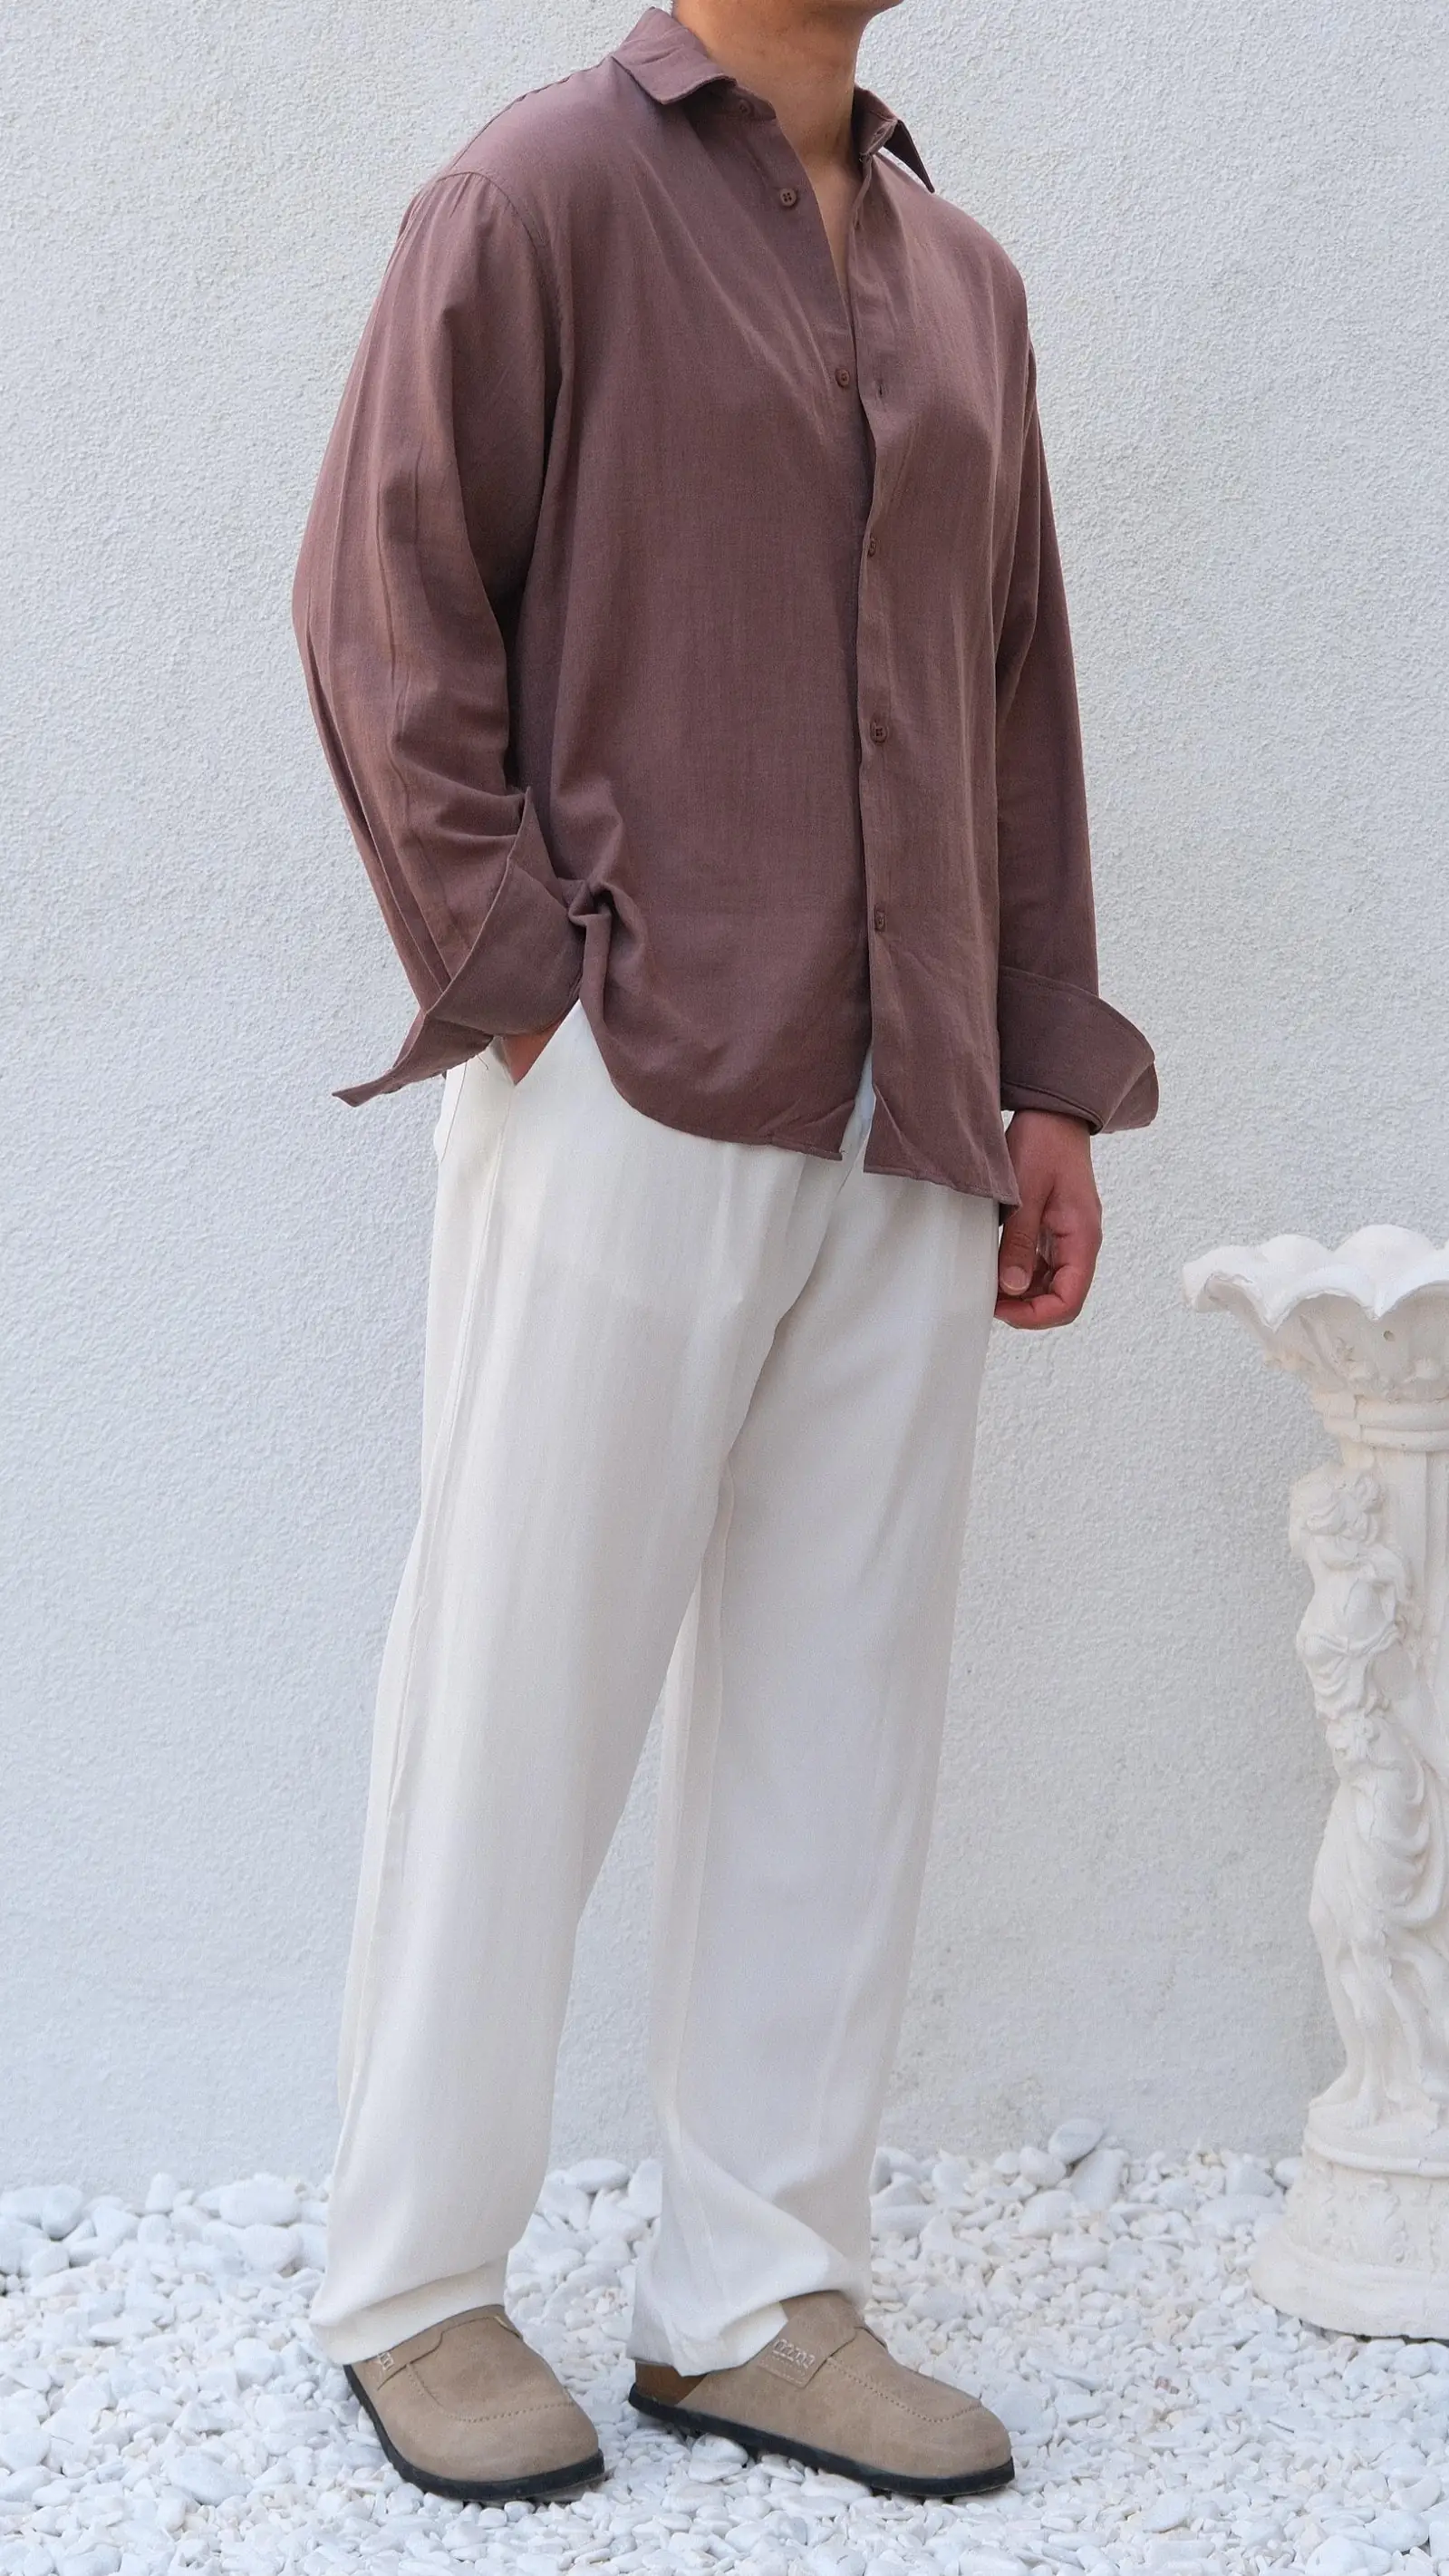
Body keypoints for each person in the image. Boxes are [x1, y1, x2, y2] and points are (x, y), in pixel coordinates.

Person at [290, 0, 1157, 2512]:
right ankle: (414, 2286)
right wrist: (530, 989)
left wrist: (1043, 1067)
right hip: (631, 1079)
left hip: (913, 1095)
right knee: (516, 1683)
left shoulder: (964, 279)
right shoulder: (541, 193)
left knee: (836, 1706)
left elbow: (1016, 696)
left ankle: (757, 2295)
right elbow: (383, 600)